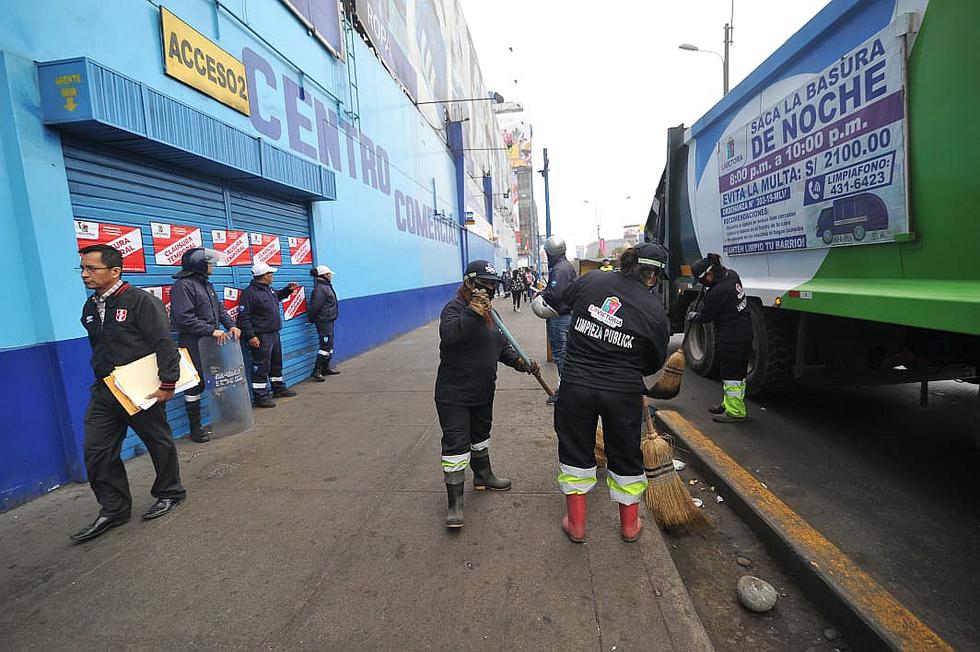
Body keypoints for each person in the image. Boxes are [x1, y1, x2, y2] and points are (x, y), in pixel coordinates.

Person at [553, 242, 671, 543]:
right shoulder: (655, 311)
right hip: (622, 392)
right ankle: (629, 527)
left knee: (575, 449)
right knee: (626, 453)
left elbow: (562, 303)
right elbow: (654, 362)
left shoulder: (592, 280)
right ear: (652, 275)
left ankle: (576, 526)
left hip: (576, 386)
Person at [71, 244, 187, 542]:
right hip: (106, 391)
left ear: (115, 271)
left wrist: (168, 383)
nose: (84, 274)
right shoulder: (90, 307)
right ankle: (115, 509)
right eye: (82, 268)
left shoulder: (141, 302)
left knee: (158, 442)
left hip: (141, 390)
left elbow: (163, 343)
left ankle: (170, 492)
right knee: (97, 450)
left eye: (91, 268)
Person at [435, 259, 540, 529]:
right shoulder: (454, 309)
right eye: (483, 285)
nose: (489, 291)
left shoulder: (493, 316)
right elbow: (450, 336)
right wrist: (472, 312)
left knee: (481, 437)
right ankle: (455, 504)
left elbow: (501, 346)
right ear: (468, 283)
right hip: (454, 394)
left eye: (493, 286)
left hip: (483, 391)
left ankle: (483, 476)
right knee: (456, 445)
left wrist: (520, 362)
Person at [170, 248, 241, 442]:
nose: (212, 265)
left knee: (217, 378)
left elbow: (220, 309)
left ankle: (227, 414)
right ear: (199, 265)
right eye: (209, 262)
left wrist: (231, 325)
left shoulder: (206, 284)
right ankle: (196, 427)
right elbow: (183, 318)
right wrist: (210, 330)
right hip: (193, 343)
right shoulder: (183, 286)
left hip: (211, 341)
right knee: (195, 385)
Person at [688, 253, 753, 423]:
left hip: (732, 337)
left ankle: (735, 411)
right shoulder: (731, 275)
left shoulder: (716, 293)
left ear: (709, 274)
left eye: (702, 280)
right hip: (745, 331)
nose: (702, 284)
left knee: (731, 374)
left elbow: (706, 317)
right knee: (738, 372)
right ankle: (730, 403)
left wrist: (695, 316)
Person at [238, 262, 299, 408]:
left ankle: (278, 389)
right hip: (261, 336)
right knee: (261, 366)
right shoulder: (249, 293)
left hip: (274, 333)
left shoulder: (268, 290)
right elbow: (243, 317)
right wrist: (251, 336)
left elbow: (277, 296)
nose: (272, 276)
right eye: (270, 274)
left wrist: (288, 290)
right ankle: (260, 397)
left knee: (276, 363)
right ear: (264, 276)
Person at [539, 236, 577, 405]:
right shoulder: (567, 266)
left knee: (561, 355)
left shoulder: (559, 269)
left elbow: (555, 294)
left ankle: (565, 392)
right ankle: (568, 388)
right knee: (566, 354)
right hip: (568, 315)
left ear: (550, 253)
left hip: (559, 316)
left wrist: (542, 294)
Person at [308, 264, 340, 381]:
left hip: (328, 320)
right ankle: (316, 371)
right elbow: (316, 306)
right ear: (325, 275)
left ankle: (325, 368)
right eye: (329, 274)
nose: (331, 276)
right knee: (325, 346)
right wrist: (311, 318)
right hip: (324, 321)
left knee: (329, 345)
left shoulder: (325, 286)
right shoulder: (321, 288)